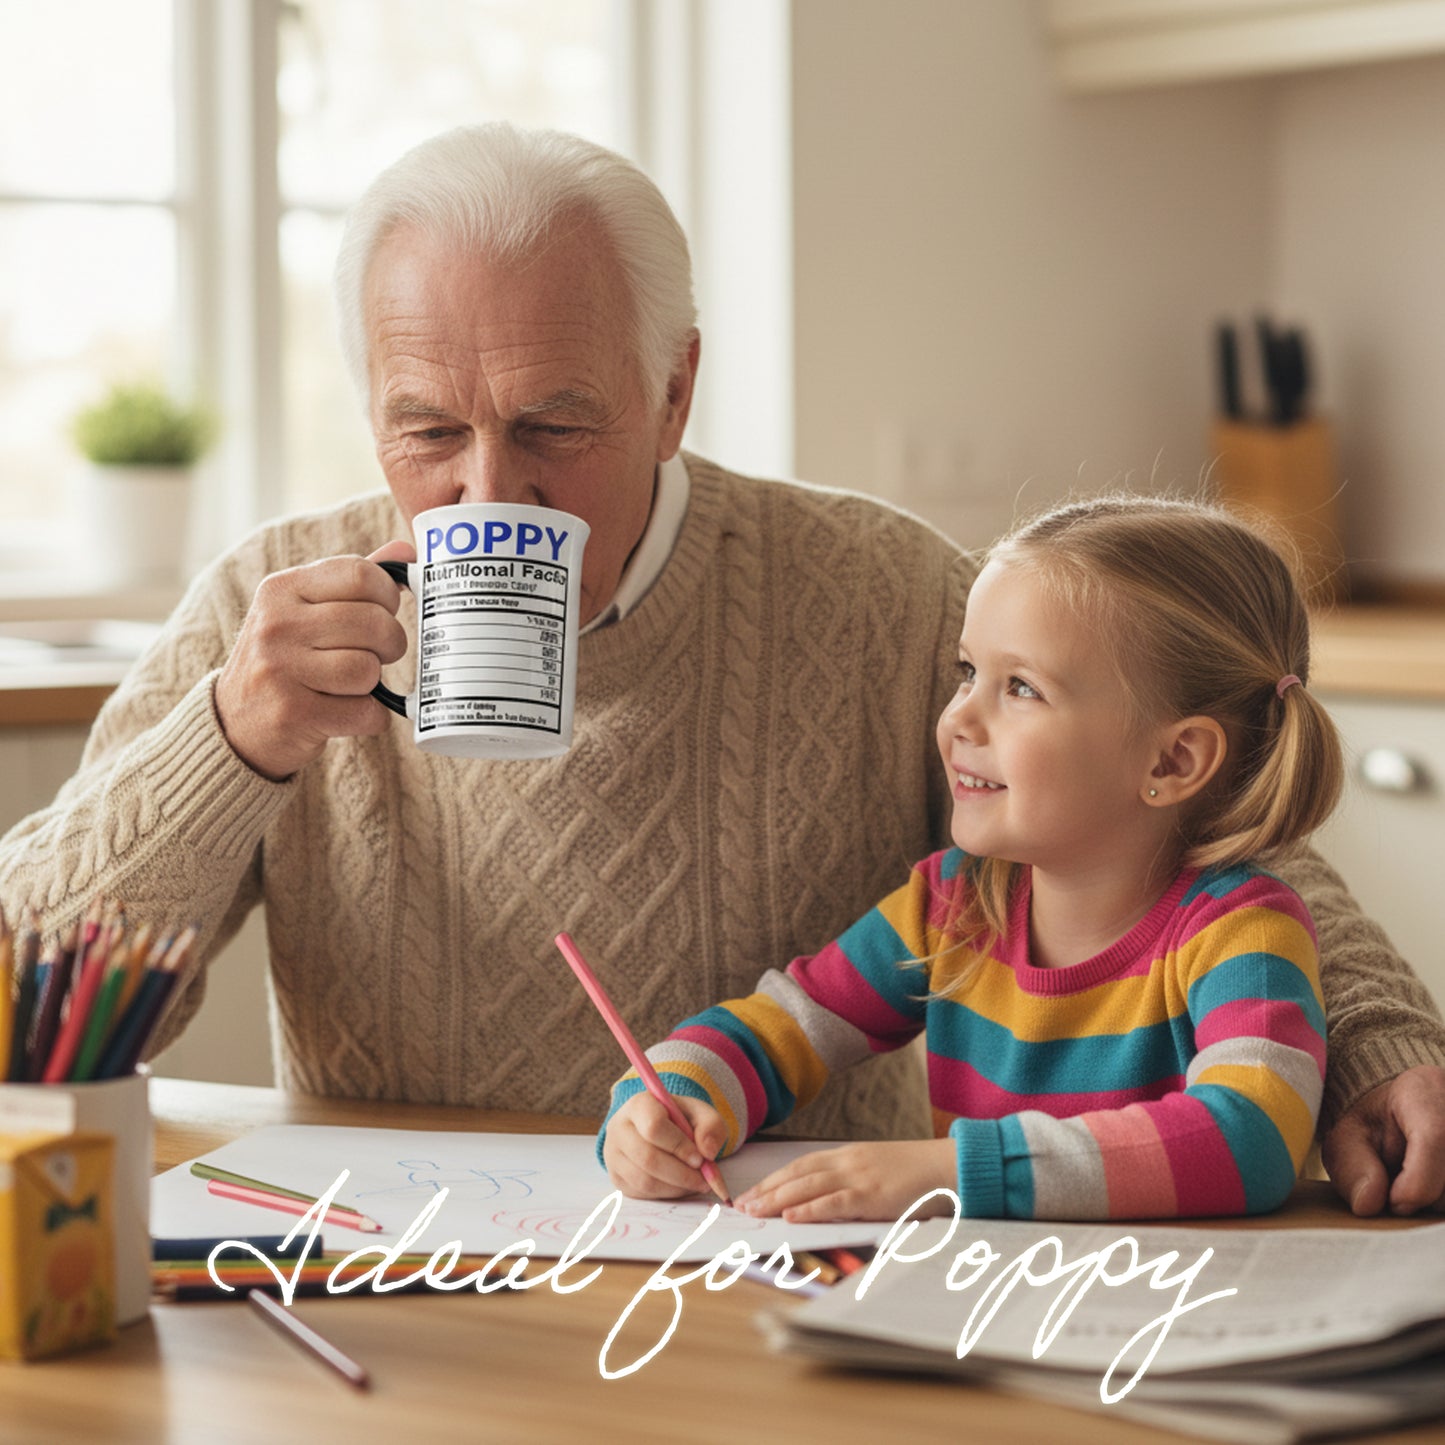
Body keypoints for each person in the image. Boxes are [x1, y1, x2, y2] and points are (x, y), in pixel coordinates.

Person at [0, 124, 1440, 1211]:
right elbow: (23, 1011)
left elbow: (1185, 805)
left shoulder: (878, 593)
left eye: (556, 425)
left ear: (674, 388)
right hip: (396, 1258)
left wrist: (1372, 1036)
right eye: (427, 431)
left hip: (785, 1254)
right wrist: (232, 738)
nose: (488, 493)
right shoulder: (270, 604)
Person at [601, 497, 1347, 1220]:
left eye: (1019, 687)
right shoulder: (950, 907)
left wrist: (951, 1169)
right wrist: (665, 1097)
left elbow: (1248, 1136)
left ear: (1173, 757)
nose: (958, 716)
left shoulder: (1241, 931)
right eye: (967, 672)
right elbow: (778, 1028)